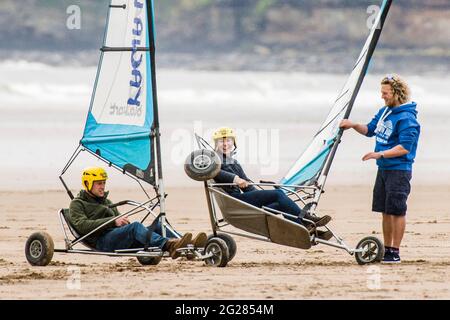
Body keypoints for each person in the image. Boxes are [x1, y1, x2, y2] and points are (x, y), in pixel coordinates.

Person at [340, 74, 420, 264]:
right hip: (384, 169)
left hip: (399, 170)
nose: (382, 96)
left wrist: (380, 154)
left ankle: (395, 251)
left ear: (396, 93)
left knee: (397, 211)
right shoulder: (385, 112)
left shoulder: (407, 118)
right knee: (385, 210)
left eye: (385, 93)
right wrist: (353, 125)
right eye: (381, 92)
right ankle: (386, 248)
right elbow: (369, 130)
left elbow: (405, 147)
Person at [211, 127, 332, 240]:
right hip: (235, 202)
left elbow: (247, 185)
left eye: (228, 141)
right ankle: (306, 220)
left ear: (233, 143)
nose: (225, 144)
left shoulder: (233, 162)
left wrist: (262, 197)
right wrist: (235, 179)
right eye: (221, 141)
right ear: (216, 144)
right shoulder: (213, 160)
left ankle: (307, 230)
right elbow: (216, 172)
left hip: (243, 201)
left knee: (279, 203)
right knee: (278, 194)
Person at [68, 167, 207, 259]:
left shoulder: (107, 201)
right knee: (135, 227)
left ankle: (188, 245)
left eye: (103, 182)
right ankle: (169, 246)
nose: (103, 186)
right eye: (98, 183)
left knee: (158, 225)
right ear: (87, 184)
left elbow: (117, 223)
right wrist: (113, 221)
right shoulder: (77, 204)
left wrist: (122, 222)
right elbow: (82, 226)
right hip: (102, 242)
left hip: (116, 237)